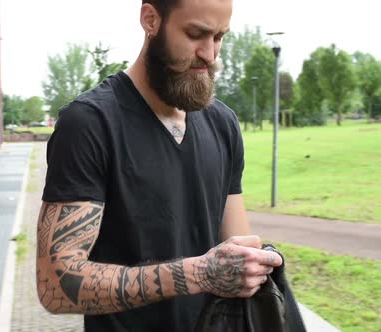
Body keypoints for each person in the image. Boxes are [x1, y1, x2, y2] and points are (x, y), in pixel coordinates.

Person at [36, 0, 283, 331]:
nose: (210, 54)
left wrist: (253, 266)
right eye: (196, 34)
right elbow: (55, 287)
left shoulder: (223, 123)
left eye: (220, 37)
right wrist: (197, 274)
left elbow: (236, 247)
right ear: (150, 20)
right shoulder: (89, 124)